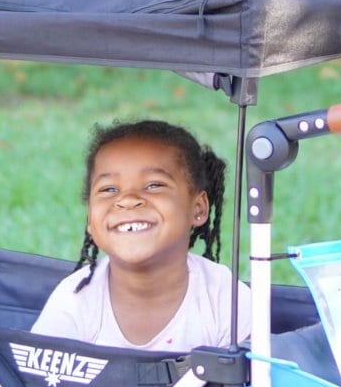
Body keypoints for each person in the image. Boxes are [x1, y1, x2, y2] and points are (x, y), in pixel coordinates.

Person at [31, 118, 251, 350]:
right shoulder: (75, 300)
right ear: (89, 218)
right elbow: (40, 384)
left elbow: (258, 382)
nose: (127, 199)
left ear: (198, 208)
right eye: (109, 189)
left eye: (154, 185)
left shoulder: (226, 299)